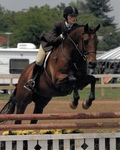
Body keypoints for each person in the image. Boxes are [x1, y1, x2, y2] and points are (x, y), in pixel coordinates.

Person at [24, 6, 79, 92]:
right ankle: (32, 81)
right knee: (39, 60)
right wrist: (61, 36)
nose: (74, 18)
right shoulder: (58, 24)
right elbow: (53, 41)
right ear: (66, 17)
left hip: (60, 49)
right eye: (71, 16)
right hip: (48, 45)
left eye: (75, 16)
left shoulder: (76, 28)